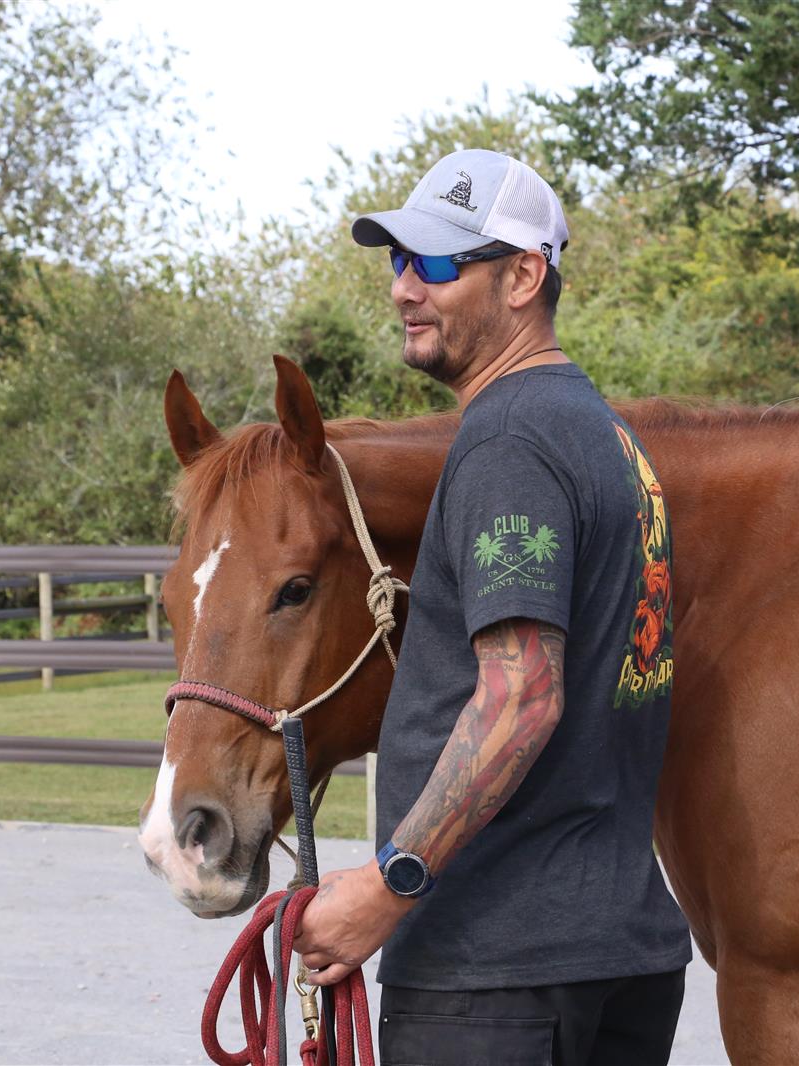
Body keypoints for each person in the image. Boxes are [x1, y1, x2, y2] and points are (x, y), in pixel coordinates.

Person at [292, 148, 693, 1065]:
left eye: (437, 263)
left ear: (522, 277)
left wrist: (387, 887)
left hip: (498, 979)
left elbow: (523, 696)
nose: (404, 287)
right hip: (613, 956)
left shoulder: (508, 439)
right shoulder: (607, 436)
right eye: (400, 260)